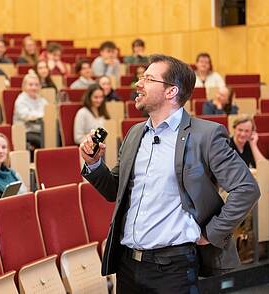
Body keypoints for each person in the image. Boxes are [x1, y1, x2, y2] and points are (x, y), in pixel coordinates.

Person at [79, 54, 260, 292]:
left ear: (171, 92)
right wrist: (93, 164)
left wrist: (212, 232)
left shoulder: (205, 135)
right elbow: (114, 189)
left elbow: (246, 188)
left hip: (173, 269)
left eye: (149, 78)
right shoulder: (134, 133)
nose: (138, 84)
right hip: (127, 264)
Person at [13, 73, 48, 151]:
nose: (34, 87)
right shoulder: (20, 100)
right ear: (24, 86)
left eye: (36, 85)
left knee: (57, 137)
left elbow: (48, 113)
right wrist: (43, 115)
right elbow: (27, 116)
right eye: (31, 85)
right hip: (26, 131)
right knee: (44, 140)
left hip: (40, 130)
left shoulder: (42, 99)